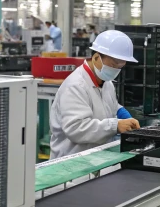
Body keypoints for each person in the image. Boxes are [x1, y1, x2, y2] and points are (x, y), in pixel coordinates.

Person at [50, 30, 140, 159]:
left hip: (95, 157)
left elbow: (106, 104)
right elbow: (75, 129)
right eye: (114, 63)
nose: (117, 69)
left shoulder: (106, 82)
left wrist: (121, 112)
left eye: (122, 64)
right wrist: (115, 125)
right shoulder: (75, 86)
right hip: (71, 162)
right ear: (97, 57)